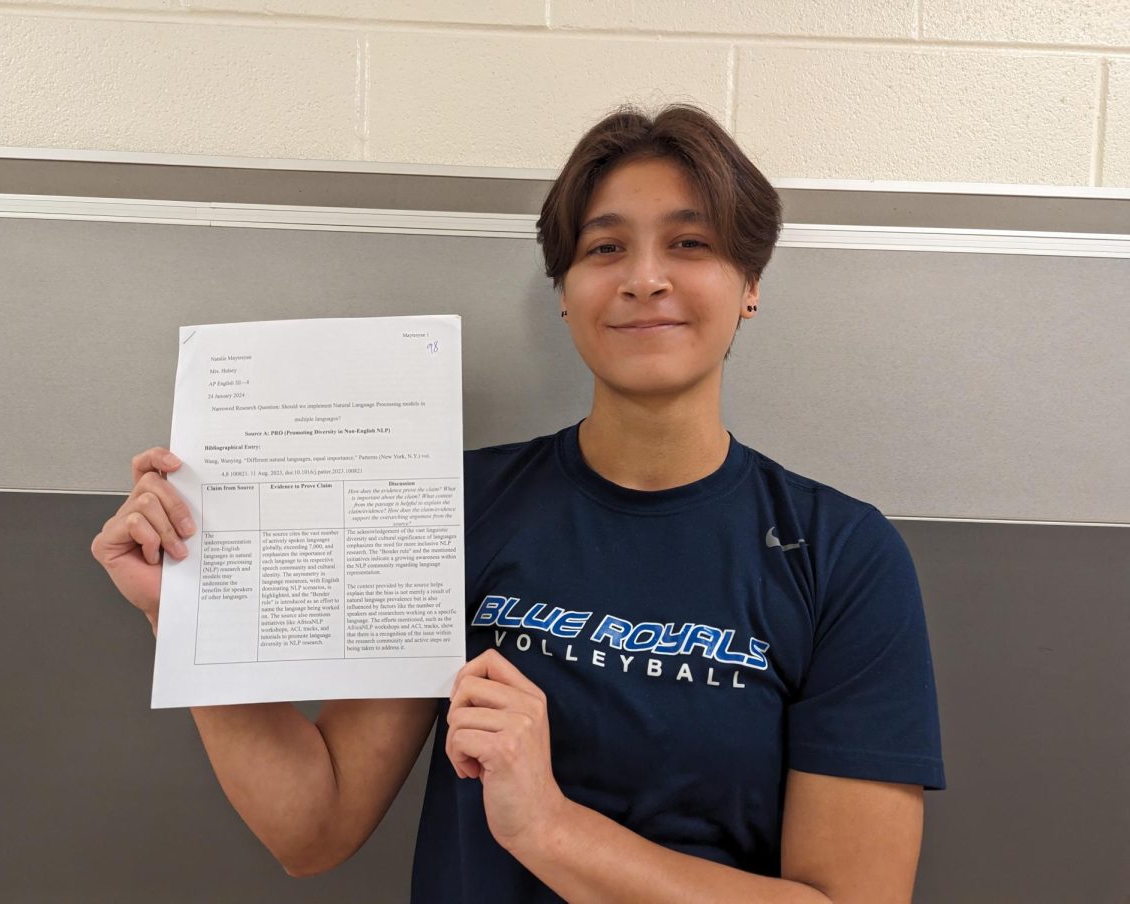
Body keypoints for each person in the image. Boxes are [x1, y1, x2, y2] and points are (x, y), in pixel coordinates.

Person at [92, 102, 944, 902]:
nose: (646, 279)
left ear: (750, 283)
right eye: (605, 249)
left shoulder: (840, 554)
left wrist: (550, 829)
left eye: (690, 243)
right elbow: (313, 827)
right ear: (564, 291)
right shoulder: (457, 505)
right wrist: (189, 615)